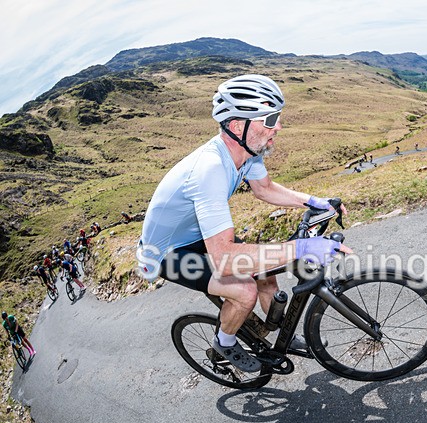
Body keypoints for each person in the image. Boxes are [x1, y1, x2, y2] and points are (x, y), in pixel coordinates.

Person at [137, 74, 351, 372]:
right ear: (239, 125)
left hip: (196, 235)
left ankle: (279, 339)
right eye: (270, 119)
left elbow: (265, 189)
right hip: (166, 254)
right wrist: (303, 247)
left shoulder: (247, 152)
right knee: (244, 290)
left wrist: (314, 201)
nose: (278, 126)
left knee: (266, 273)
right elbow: (225, 260)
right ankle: (223, 343)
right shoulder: (209, 170)